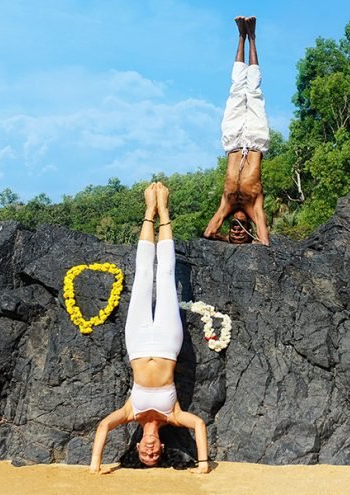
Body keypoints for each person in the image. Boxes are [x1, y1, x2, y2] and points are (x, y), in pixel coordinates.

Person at [89, 182, 210, 475]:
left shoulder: (131, 412)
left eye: (145, 454)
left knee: (143, 276)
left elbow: (104, 425)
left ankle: (148, 212)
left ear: (138, 447)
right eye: (155, 456)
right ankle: (164, 212)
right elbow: (199, 424)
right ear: (163, 450)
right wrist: (203, 464)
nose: (150, 451)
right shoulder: (174, 415)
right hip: (168, 344)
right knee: (166, 277)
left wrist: (96, 464)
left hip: (139, 343)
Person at [203, 16, 271, 246]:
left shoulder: (227, 203)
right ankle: (252, 37)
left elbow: (209, 233)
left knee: (235, 90)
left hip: (232, 142)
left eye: (235, 227)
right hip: (255, 140)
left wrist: (226, 238)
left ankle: (240, 37)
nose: (238, 227)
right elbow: (264, 242)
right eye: (240, 228)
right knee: (253, 91)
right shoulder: (255, 205)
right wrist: (250, 240)